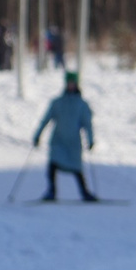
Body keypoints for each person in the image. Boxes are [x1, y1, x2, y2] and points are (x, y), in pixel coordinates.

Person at [31, 71, 98, 201]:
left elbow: (87, 124)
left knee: (77, 168)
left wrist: (90, 140)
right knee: (53, 165)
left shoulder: (82, 105)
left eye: (73, 83)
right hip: (58, 140)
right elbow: (46, 119)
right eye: (69, 83)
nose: (71, 86)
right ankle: (51, 191)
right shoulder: (57, 102)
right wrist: (38, 135)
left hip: (73, 142)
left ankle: (85, 193)